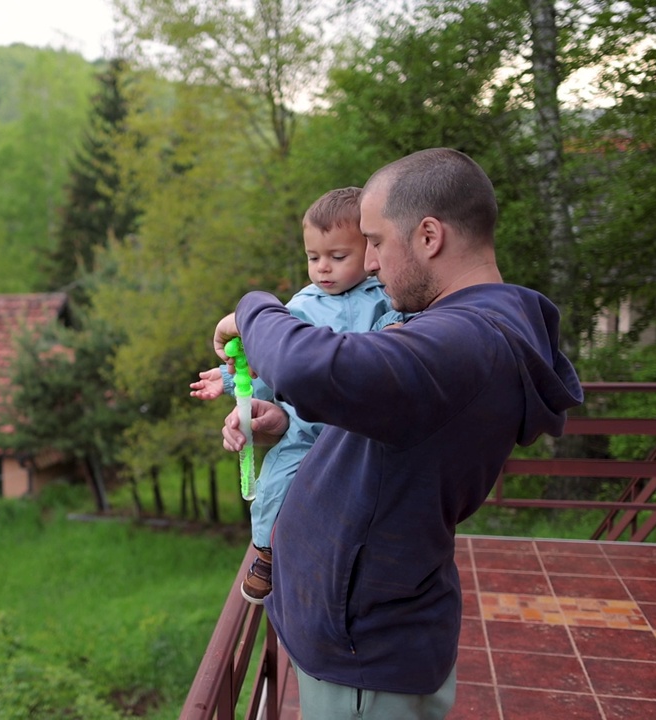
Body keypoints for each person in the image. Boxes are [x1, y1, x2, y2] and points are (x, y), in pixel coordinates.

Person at [211, 148, 582, 719]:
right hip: (365, 634)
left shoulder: (465, 340)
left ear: (429, 235)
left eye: (377, 241)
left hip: (368, 652)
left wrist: (252, 309)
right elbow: (368, 429)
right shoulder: (457, 333)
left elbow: (312, 367)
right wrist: (282, 422)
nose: (373, 262)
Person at [189, 187, 405, 605]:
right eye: (313, 258)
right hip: (305, 425)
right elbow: (271, 363)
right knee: (274, 481)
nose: (323, 268)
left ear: (369, 249)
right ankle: (267, 552)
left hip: (358, 428)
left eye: (337, 257)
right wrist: (231, 378)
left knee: (355, 502)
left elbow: (389, 354)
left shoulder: (384, 299)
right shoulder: (298, 307)